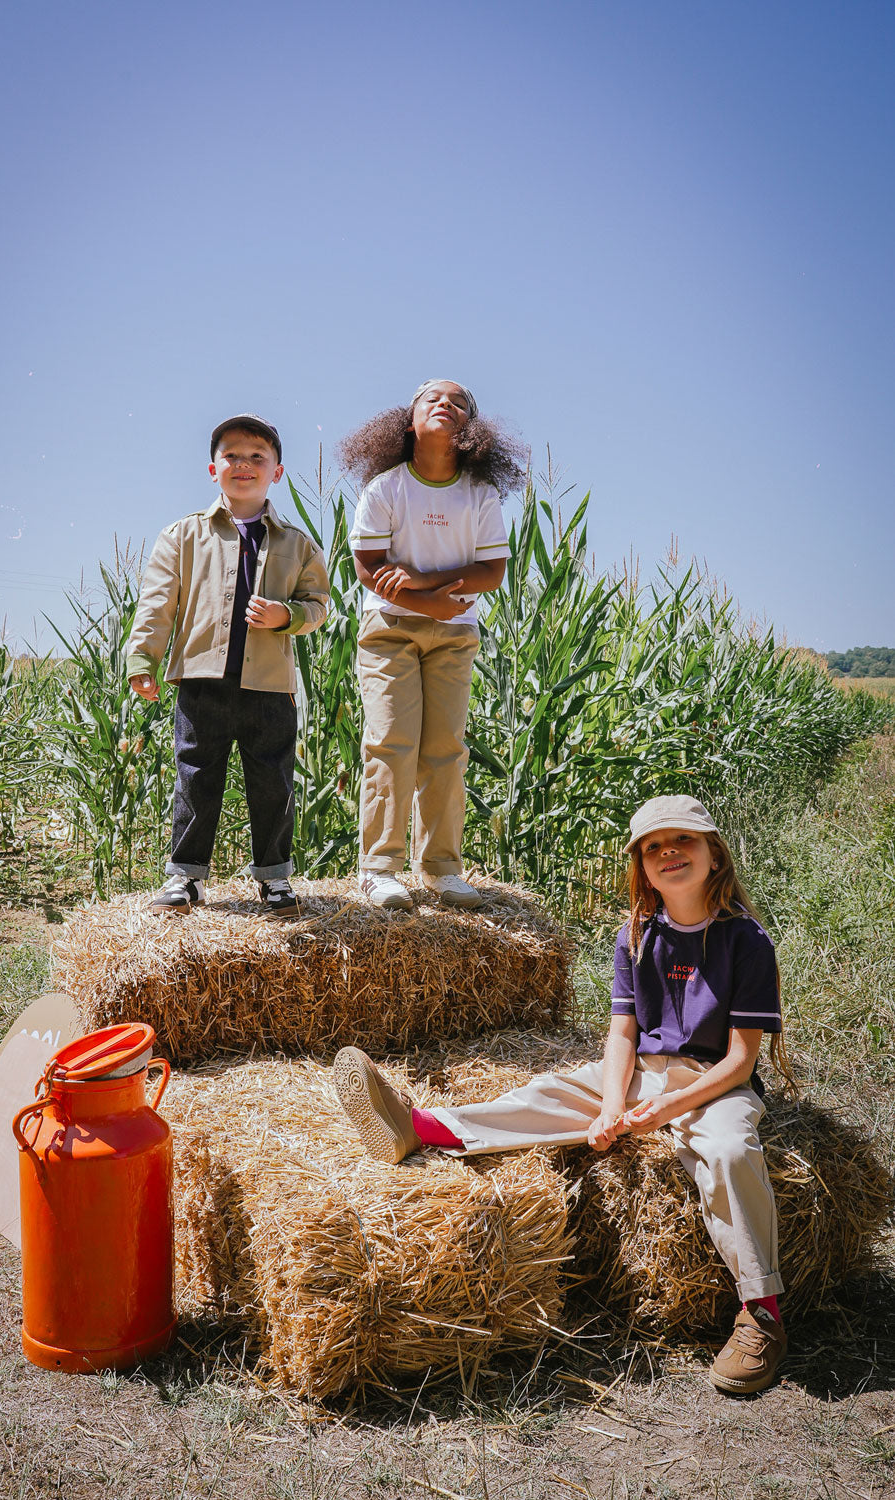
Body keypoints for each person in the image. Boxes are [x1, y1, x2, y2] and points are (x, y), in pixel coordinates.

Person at [333, 794, 795, 1395]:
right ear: (641, 867)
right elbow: (622, 1035)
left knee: (731, 1154)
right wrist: (610, 1106)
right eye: (653, 848)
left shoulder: (746, 940)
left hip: (714, 1085)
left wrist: (668, 1109)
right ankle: (422, 1127)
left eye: (682, 840)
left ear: (714, 853)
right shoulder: (635, 937)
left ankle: (763, 1314)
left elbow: (740, 1061)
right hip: (645, 1072)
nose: (668, 854)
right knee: (550, 1092)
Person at [127, 414, 329, 917]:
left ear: (277, 472)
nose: (244, 465)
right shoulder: (183, 535)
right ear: (212, 468)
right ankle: (186, 878)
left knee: (273, 782)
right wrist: (142, 658)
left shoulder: (297, 543)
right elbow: (157, 603)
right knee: (196, 776)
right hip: (202, 681)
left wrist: (288, 615)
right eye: (232, 456)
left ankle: (274, 879)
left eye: (257, 457)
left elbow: (320, 605)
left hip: (270, 685)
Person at [341, 379, 526, 911]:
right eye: (433, 399)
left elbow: (491, 571)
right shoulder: (384, 488)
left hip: (454, 634)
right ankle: (379, 869)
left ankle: (443, 869)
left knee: (446, 750)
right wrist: (431, 603)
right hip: (389, 633)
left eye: (460, 402)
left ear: (472, 430)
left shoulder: (480, 494)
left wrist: (421, 585)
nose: (447, 405)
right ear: (408, 421)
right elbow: (368, 568)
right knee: (392, 744)